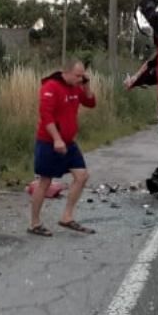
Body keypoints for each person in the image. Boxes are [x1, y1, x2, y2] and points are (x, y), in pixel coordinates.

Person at [29, 59, 97, 236]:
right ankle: (34, 223)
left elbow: (90, 103)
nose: (80, 78)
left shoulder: (76, 87)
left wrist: (86, 85)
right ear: (65, 72)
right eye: (78, 75)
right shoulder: (51, 87)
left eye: (83, 75)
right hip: (49, 142)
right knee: (45, 182)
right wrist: (57, 139)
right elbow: (46, 116)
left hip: (68, 142)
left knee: (82, 176)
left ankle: (67, 217)